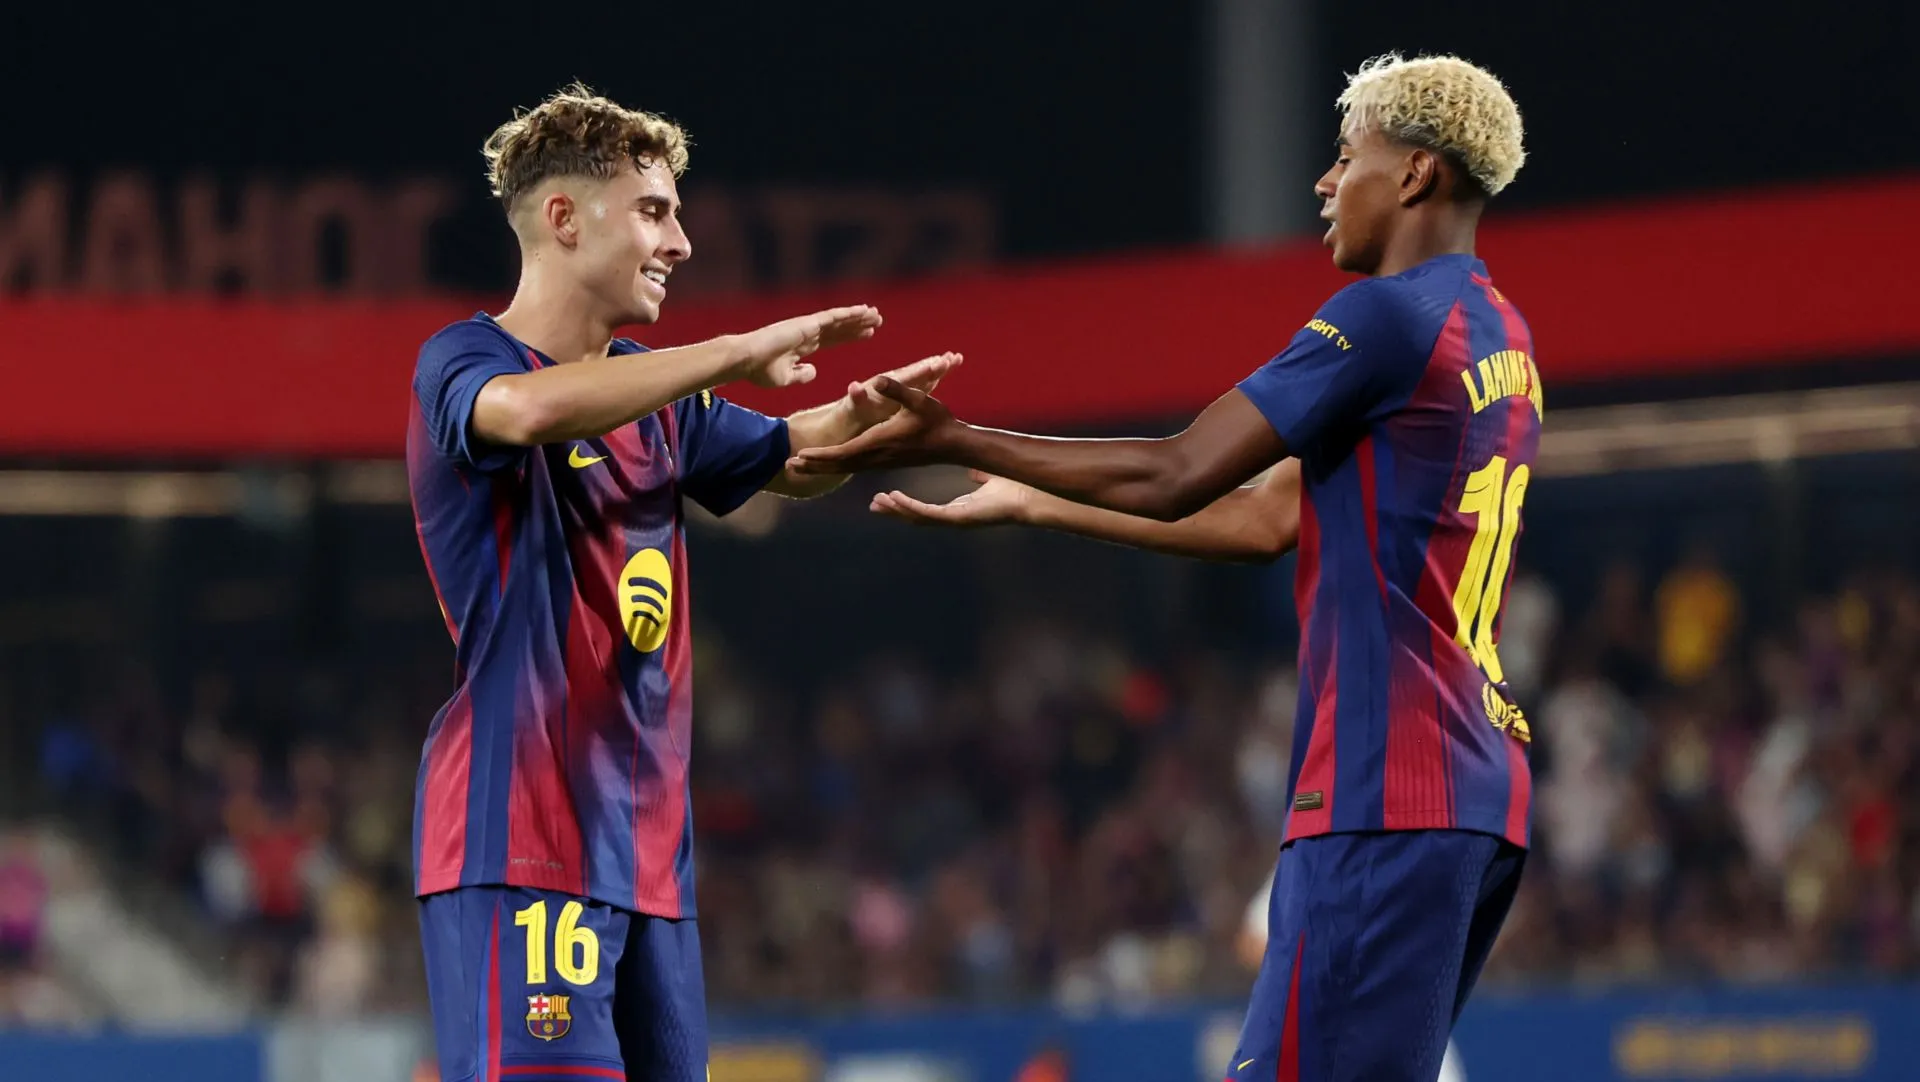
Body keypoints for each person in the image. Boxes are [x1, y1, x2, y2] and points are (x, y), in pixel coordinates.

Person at [790, 52, 1535, 1082]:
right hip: (1478, 792)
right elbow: (1267, 518)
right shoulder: (1499, 334)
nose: (1325, 183)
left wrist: (954, 437)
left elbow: (1180, 469)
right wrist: (1042, 501)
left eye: (1345, 155)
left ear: (1413, 173)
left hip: (1384, 788)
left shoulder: (1384, 318)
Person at [407, 84, 960, 1082]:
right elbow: (529, 413)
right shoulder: (465, 358)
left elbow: (791, 454)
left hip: (650, 861)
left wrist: (873, 420)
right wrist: (737, 352)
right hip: (519, 839)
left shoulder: (662, 402)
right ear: (565, 219)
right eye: (656, 210)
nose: (683, 242)